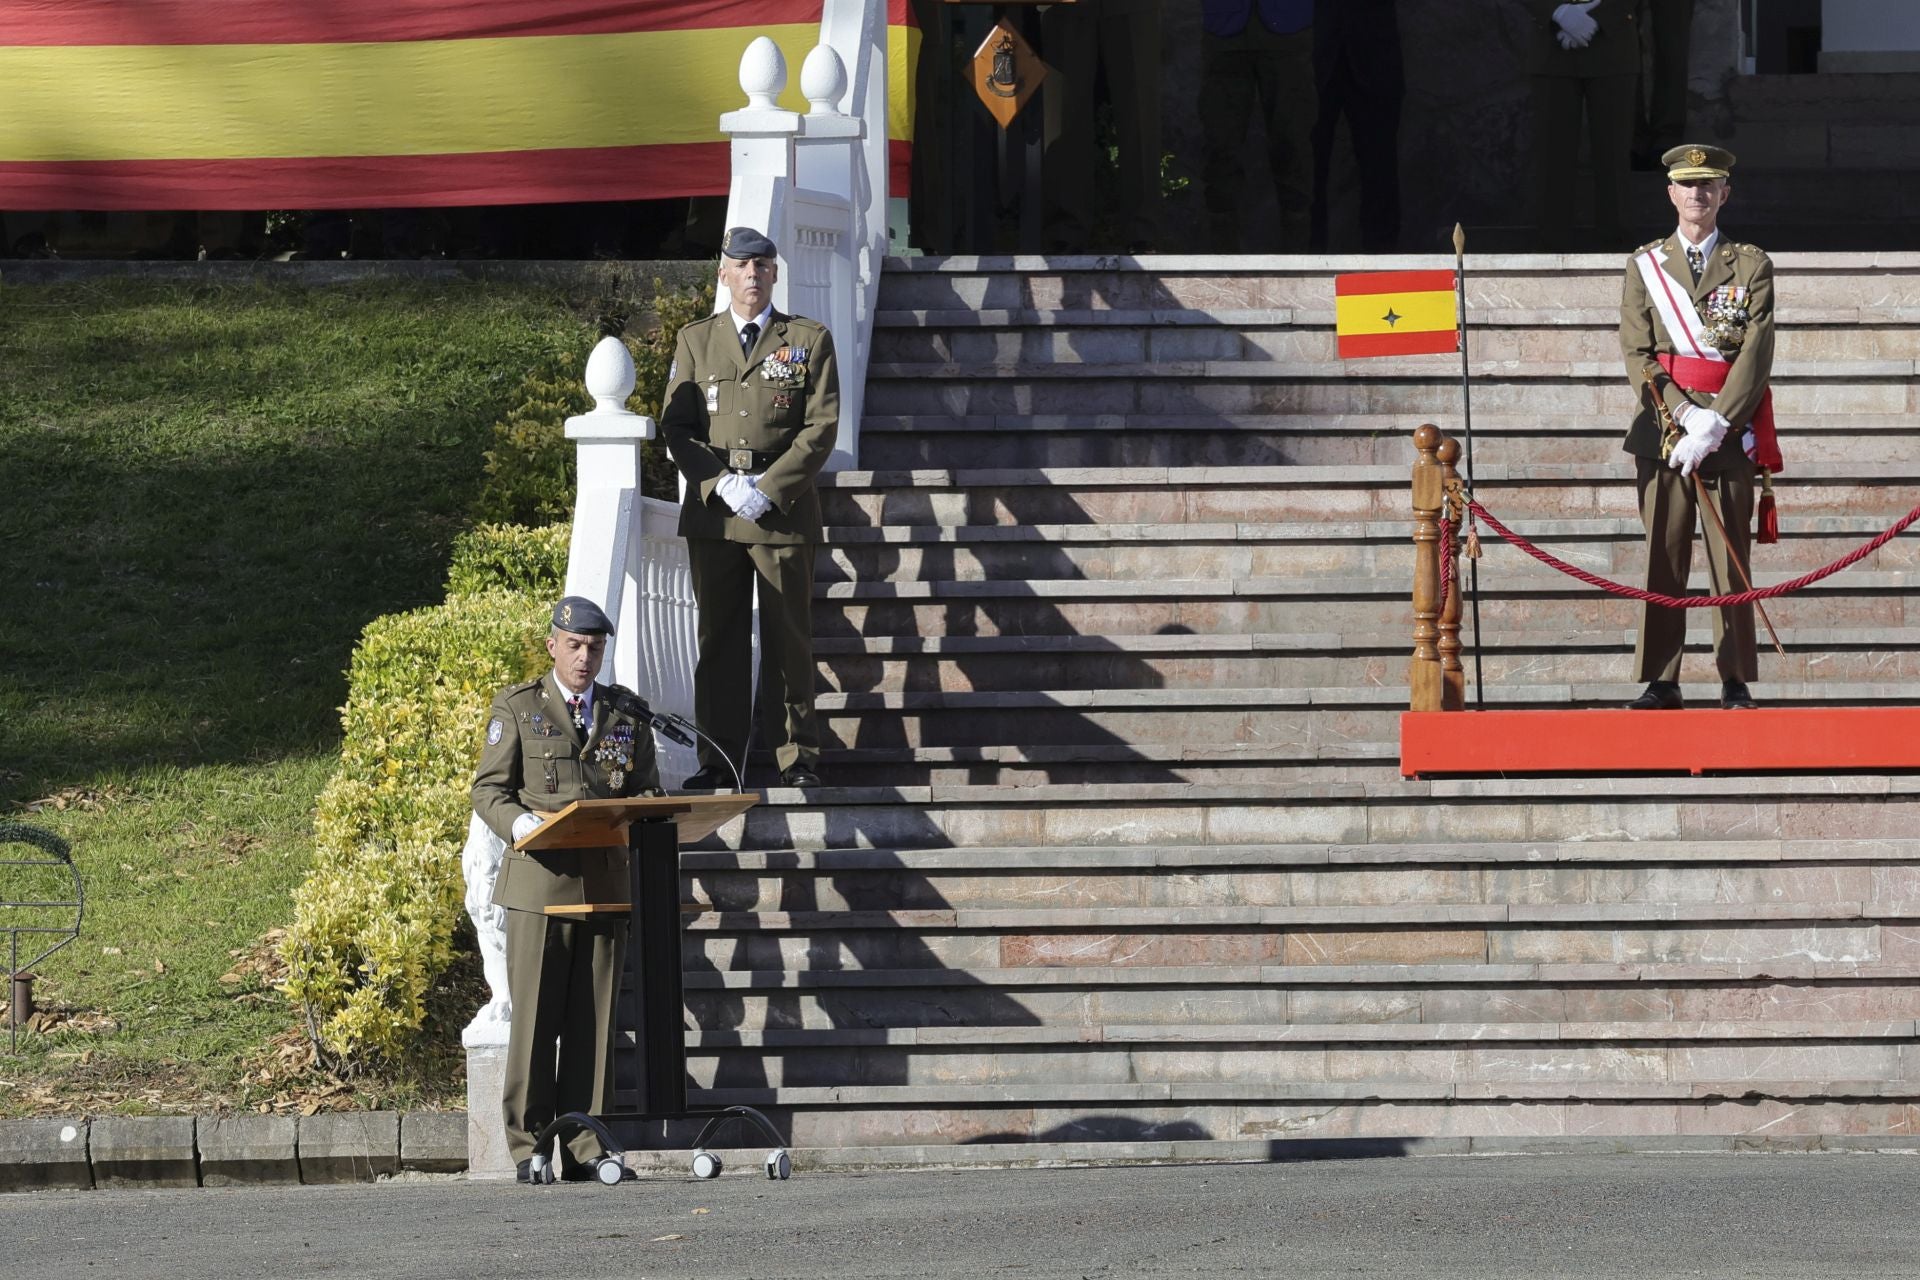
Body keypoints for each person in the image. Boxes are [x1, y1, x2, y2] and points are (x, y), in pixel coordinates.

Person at [471, 595, 663, 1182]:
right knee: (536, 1023)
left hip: (604, 884)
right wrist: (520, 824)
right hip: (541, 887)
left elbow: (647, 791)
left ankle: (585, 1147)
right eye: (574, 645)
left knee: (595, 1024)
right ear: (553, 645)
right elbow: (488, 790)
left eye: (595, 647)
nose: (585, 657)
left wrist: (647, 813)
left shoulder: (626, 714)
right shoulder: (520, 707)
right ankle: (530, 1147)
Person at [659, 227, 838, 789]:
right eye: (741, 264)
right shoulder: (696, 340)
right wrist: (719, 483)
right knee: (720, 640)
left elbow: (822, 426)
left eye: (762, 264)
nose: (753, 274)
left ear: (775, 273)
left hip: (781, 509)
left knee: (789, 638)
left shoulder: (808, 339)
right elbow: (678, 427)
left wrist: (771, 486)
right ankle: (719, 761)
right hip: (717, 512)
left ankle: (798, 759)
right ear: (723, 273)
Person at [1619, 144, 1778, 711]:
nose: (1697, 194)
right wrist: (1686, 415)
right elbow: (1638, 353)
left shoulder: (1752, 264)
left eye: (1708, 184)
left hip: (1730, 433)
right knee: (1664, 555)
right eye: (1687, 185)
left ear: (1724, 193)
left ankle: (1734, 678)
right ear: (1671, 193)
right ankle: (1662, 678)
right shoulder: (1644, 266)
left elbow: (1756, 353)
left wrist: (1718, 421)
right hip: (1662, 428)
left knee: (1729, 560)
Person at [1041, 0, 1164, 253]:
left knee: (1139, 115)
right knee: (1065, 117)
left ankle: (1142, 232)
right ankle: (1066, 230)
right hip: (1065, 7)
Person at [1200, 0, 1315, 253]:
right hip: (1224, 24)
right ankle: (1223, 268)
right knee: (1221, 144)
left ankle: (1298, 265)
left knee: (1292, 140)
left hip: (1289, 24)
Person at [1527, 0, 1638, 250]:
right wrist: (1557, 11)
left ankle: (1617, 247)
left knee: (1613, 156)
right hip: (1550, 47)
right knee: (1552, 156)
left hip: (1613, 45)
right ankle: (1551, 247)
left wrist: (1599, 15)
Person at [1307, 0, 1402, 252]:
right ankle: (1303, 271)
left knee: (1380, 167)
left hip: (1374, 46)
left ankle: (1383, 274)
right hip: (1311, 45)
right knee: (1305, 172)